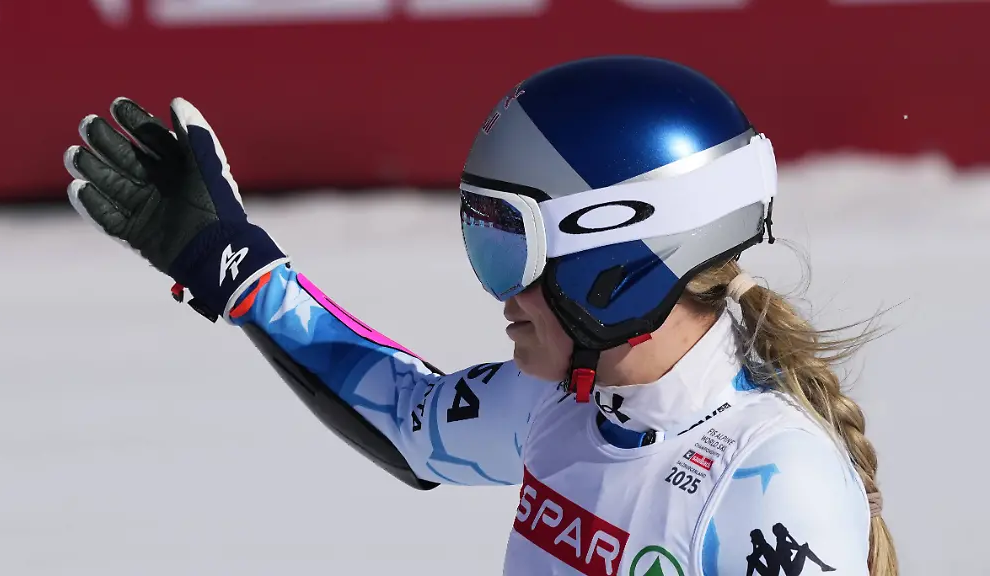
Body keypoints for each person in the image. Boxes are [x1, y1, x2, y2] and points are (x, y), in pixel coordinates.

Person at [62, 55, 897, 576]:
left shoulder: (770, 480)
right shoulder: (567, 401)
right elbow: (406, 418)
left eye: (512, 249)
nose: (501, 295)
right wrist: (234, 267)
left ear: (617, 263)